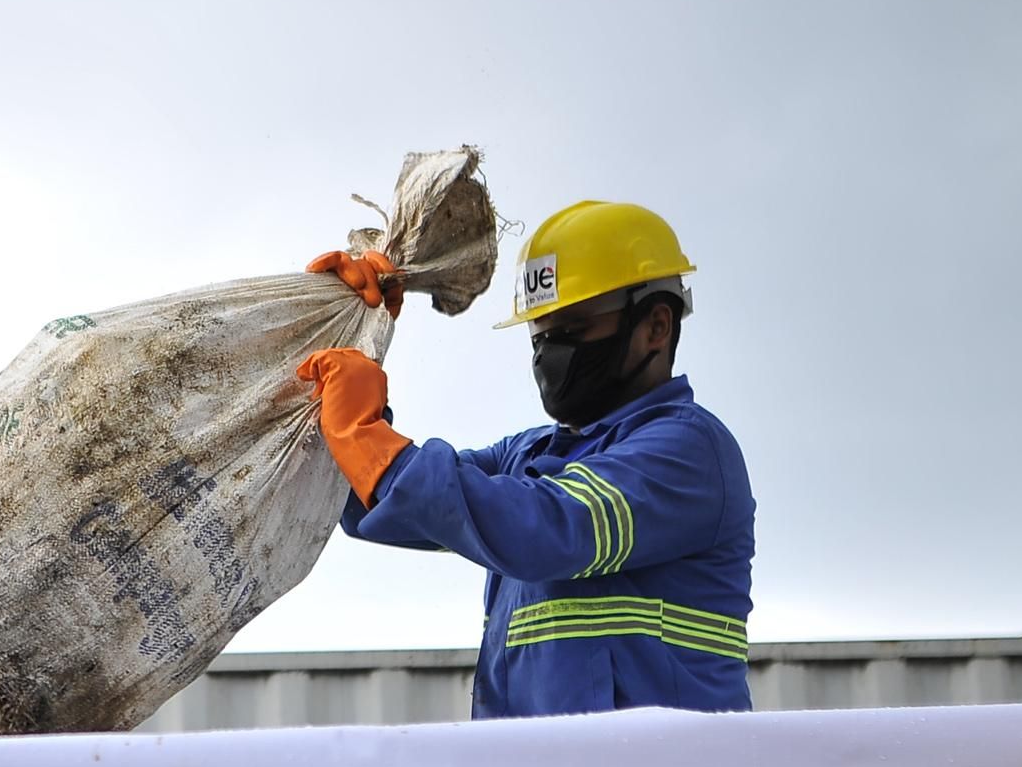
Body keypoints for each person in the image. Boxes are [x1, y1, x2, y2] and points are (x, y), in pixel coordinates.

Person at [297, 201, 755, 718]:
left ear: (656, 326)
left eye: (575, 329)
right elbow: (387, 504)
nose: (549, 352)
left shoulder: (689, 453)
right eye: (540, 332)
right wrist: (356, 339)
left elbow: (545, 530)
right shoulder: (532, 452)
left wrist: (363, 433)